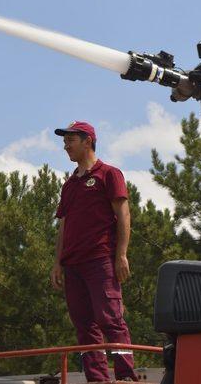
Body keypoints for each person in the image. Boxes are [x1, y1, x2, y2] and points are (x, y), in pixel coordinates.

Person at [50, 121, 137, 382]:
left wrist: (121, 254)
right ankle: (97, 379)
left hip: (100, 260)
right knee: (84, 327)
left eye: (70, 140)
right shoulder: (69, 185)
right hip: (72, 265)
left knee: (110, 319)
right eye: (64, 141)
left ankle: (124, 377)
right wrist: (57, 263)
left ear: (87, 141)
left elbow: (123, 215)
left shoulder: (109, 174)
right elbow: (63, 226)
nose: (65, 145)